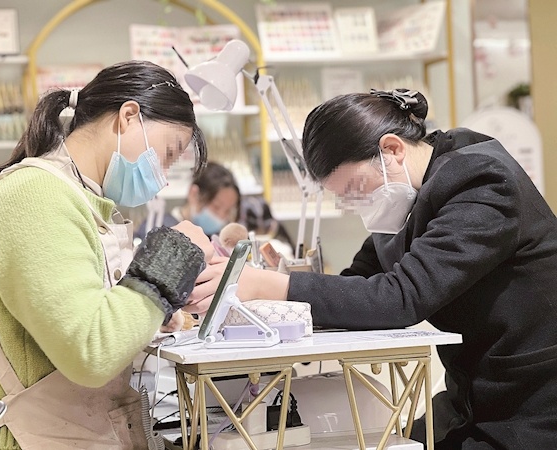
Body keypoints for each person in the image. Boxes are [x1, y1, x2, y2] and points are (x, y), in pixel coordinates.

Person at [188, 88, 557, 448]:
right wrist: (270, 302)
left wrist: (271, 285)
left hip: (530, 404)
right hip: (471, 397)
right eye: (344, 197)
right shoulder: (408, 196)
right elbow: (358, 282)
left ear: (392, 149)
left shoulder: (482, 183)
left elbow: (401, 298)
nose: (356, 204)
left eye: (356, 189)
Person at [0, 61, 216, 449]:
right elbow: (91, 351)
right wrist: (172, 256)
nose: (162, 177)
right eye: (167, 154)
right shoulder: (34, 196)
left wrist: (160, 311)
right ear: (129, 117)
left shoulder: (82, 201)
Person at [136, 161, 240, 238]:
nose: (221, 217)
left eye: (227, 211)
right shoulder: (160, 228)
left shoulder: (214, 238)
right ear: (194, 193)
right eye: (216, 207)